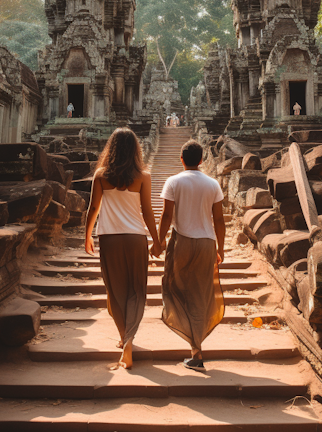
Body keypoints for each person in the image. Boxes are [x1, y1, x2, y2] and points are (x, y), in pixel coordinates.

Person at [84, 128, 161, 369]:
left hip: (109, 237)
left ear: (112, 148)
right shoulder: (143, 177)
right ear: (136, 150)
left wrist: (87, 235)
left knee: (114, 290)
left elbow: (93, 207)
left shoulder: (100, 174)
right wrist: (157, 240)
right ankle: (128, 341)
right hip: (136, 238)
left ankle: (123, 338)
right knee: (136, 290)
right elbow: (148, 212)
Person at [152, 140, 225, 372]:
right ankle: (196, 348)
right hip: (206, 243)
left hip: (181, 241)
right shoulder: (212, 184)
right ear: (201, 160)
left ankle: (194, 346)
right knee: (201, 293)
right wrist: (220, 249)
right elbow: (219, 220)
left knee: (173, 287)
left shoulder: (174, 181)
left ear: (181, 159)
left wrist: (159, 241)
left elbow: (166, 215)